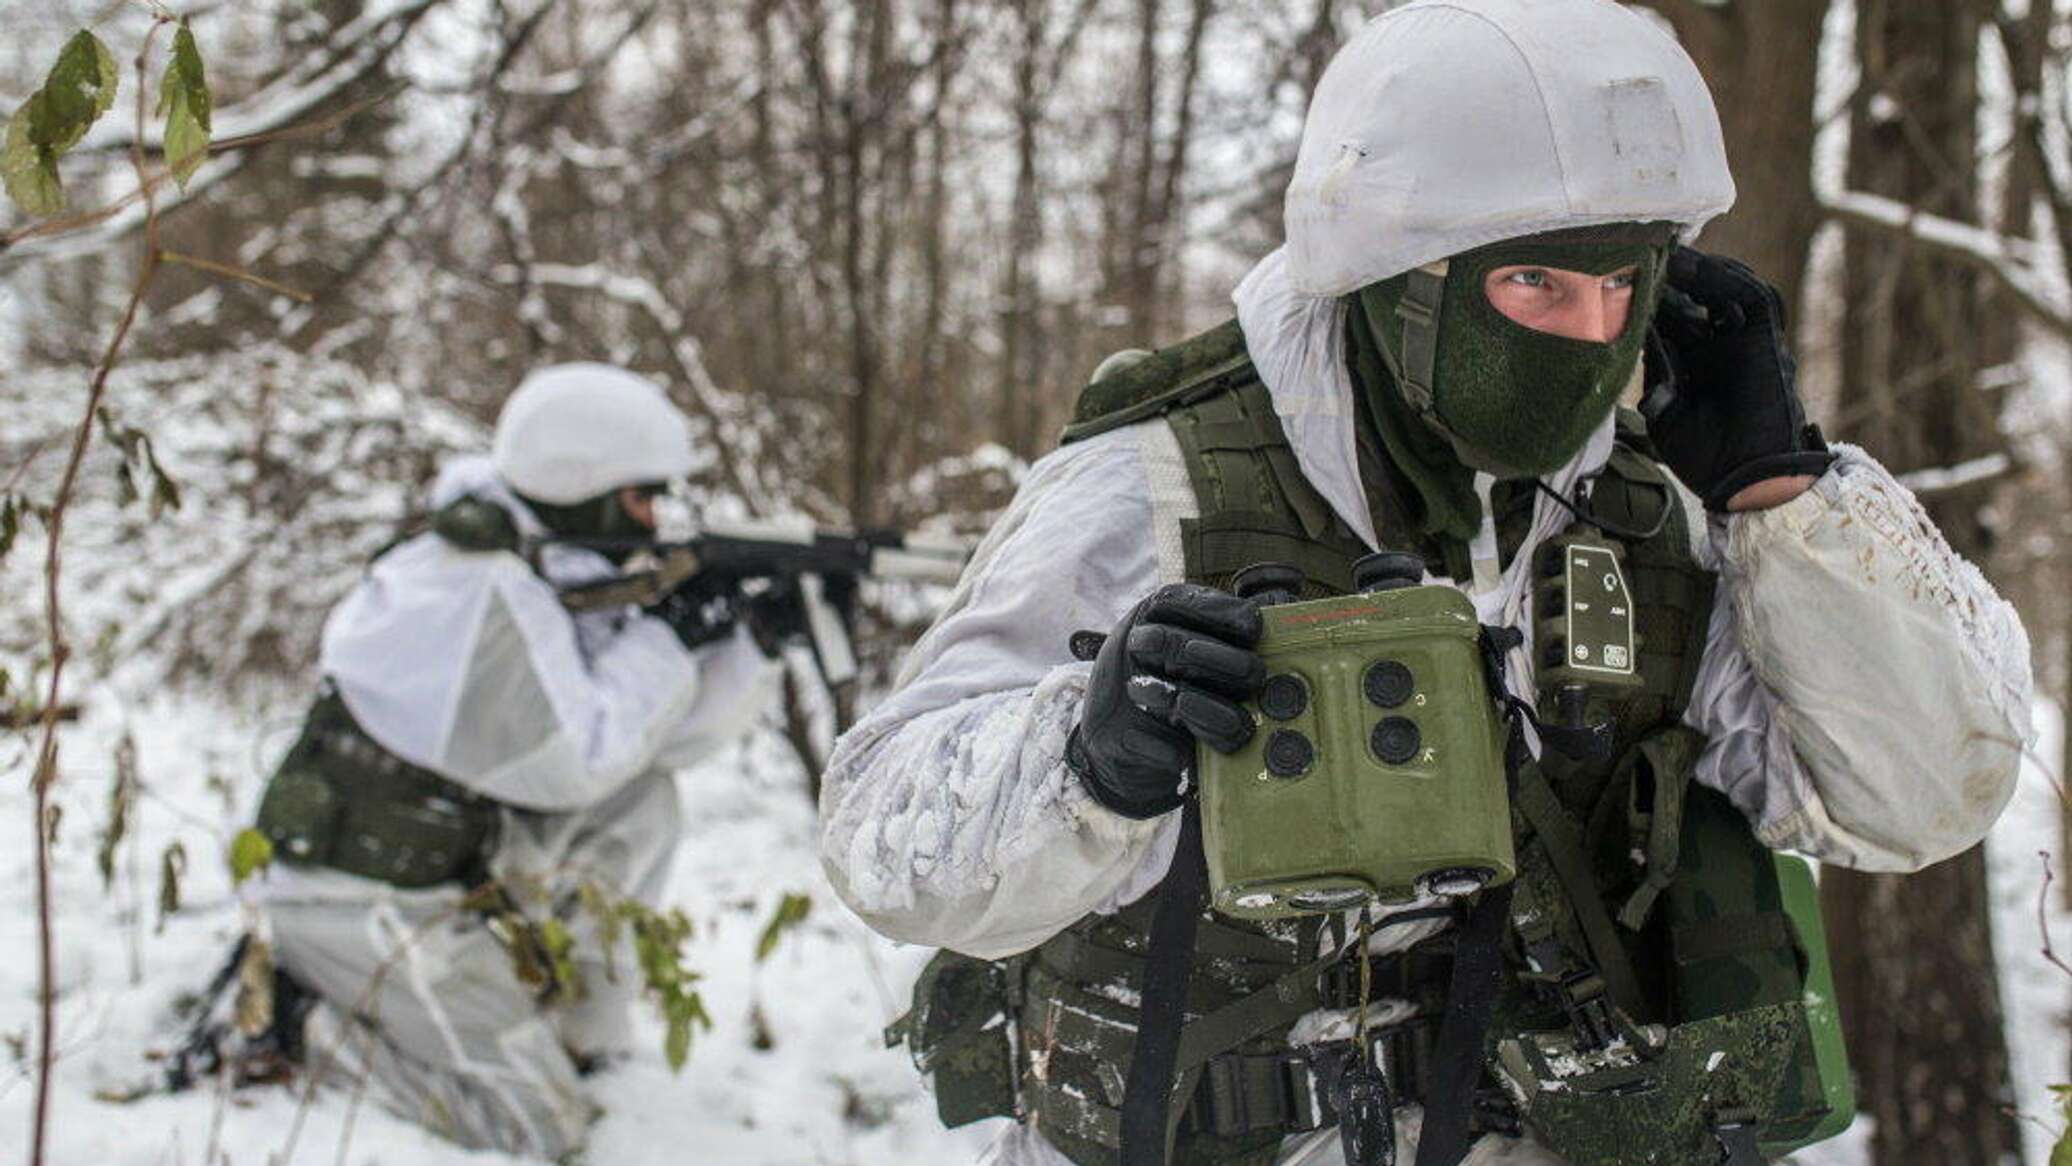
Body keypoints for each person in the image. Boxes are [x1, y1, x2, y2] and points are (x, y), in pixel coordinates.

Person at [818, 2, 2034, 1165]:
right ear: (1407, 280)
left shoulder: (1656, 510)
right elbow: (881, 831)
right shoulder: (1158, 482)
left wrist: (1786, 495)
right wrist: (1086, 759)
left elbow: (1914, 797)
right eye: (1535, 286)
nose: (1586, 333)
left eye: (1622, 288)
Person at [243, 363, 776, 1157]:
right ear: (584, 486)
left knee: (642, 803)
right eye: (640, 495)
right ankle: (300, 1022)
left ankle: (578, 1036)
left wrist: (752, 644)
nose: (652, 516)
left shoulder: (522, 557)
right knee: (535, 1125)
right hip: (357, 910)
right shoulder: (475, 592)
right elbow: (580, 758)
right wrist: (670, 636)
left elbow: (655, 744)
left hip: (433, 866)